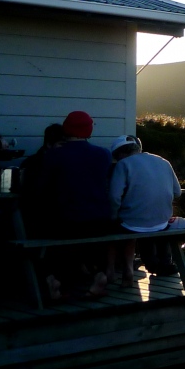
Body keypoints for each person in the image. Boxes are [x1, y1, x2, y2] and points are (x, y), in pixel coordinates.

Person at [40, 111, 112, 297]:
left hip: (65, 218)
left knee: (48, 234)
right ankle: (100, 274)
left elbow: (43, 187)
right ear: (88, 130)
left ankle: (53, 277)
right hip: (99, 218)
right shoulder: (103, 154)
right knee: (94, 240)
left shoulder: (53, 156)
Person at [107, 135, 182, 282]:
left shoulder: (123, 165)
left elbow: (114, 197)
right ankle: (165, 263)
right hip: (162, 221)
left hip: (134, 224)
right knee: (156, 224)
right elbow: (177, 192)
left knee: (128, 224)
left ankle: (147, 265)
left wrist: (113, 216)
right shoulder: (163, 162)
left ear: (119, 154)